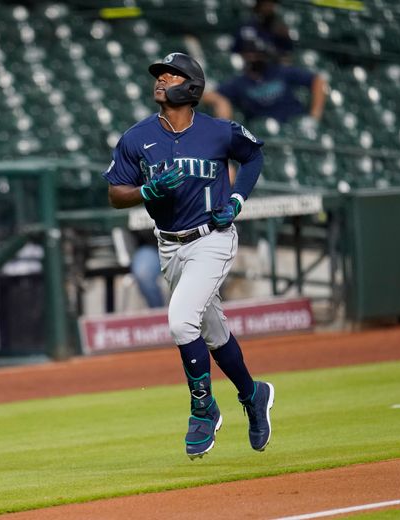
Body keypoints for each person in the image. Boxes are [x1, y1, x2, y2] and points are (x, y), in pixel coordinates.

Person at [103, 52, 274, 459]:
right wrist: (146, 191)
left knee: (181, 323)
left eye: (171, 73)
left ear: (191, 85)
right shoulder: (136, 137)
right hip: (169, 245)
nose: (161, 79)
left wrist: (235, 199)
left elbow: (253, 156)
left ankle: (203, 408)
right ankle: (253, 394)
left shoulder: (218, 132)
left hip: (212, 238)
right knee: (213, 333)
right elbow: (114, 193)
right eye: (158, 74)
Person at [202, 36, 327, 125]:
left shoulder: (280, 71)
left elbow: (317, 80)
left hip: (296, 123)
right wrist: (220, 101)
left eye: (258, 53)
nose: (254, 57)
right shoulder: (239, 83)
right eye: (250, 53)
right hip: (266, 132)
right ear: (243, 56)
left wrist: (315, 114)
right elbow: (209, 95)